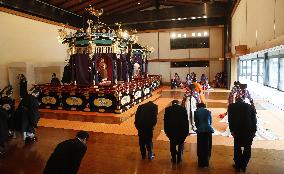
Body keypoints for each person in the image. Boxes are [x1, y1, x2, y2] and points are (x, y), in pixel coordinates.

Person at [228, 95, 257, 172]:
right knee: (247, 148)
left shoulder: (231, 106)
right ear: (243, 101)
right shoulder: (249, 106)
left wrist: (232, 130)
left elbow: (230, 119)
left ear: (236, 100)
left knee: (237, 147)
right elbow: (254, 119)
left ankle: (237, 165)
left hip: (237, 129)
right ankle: (244, 165)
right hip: (248, 129)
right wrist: (254, 131)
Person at [194, 103, 214, 168]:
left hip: (200, 131)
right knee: (208, 146)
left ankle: (200, 163)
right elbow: (210, 122)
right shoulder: (208, 112)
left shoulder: (196, 112)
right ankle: (206, 162)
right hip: (208, 130)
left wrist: (199, 128)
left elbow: (196, 123)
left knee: (200, 146)